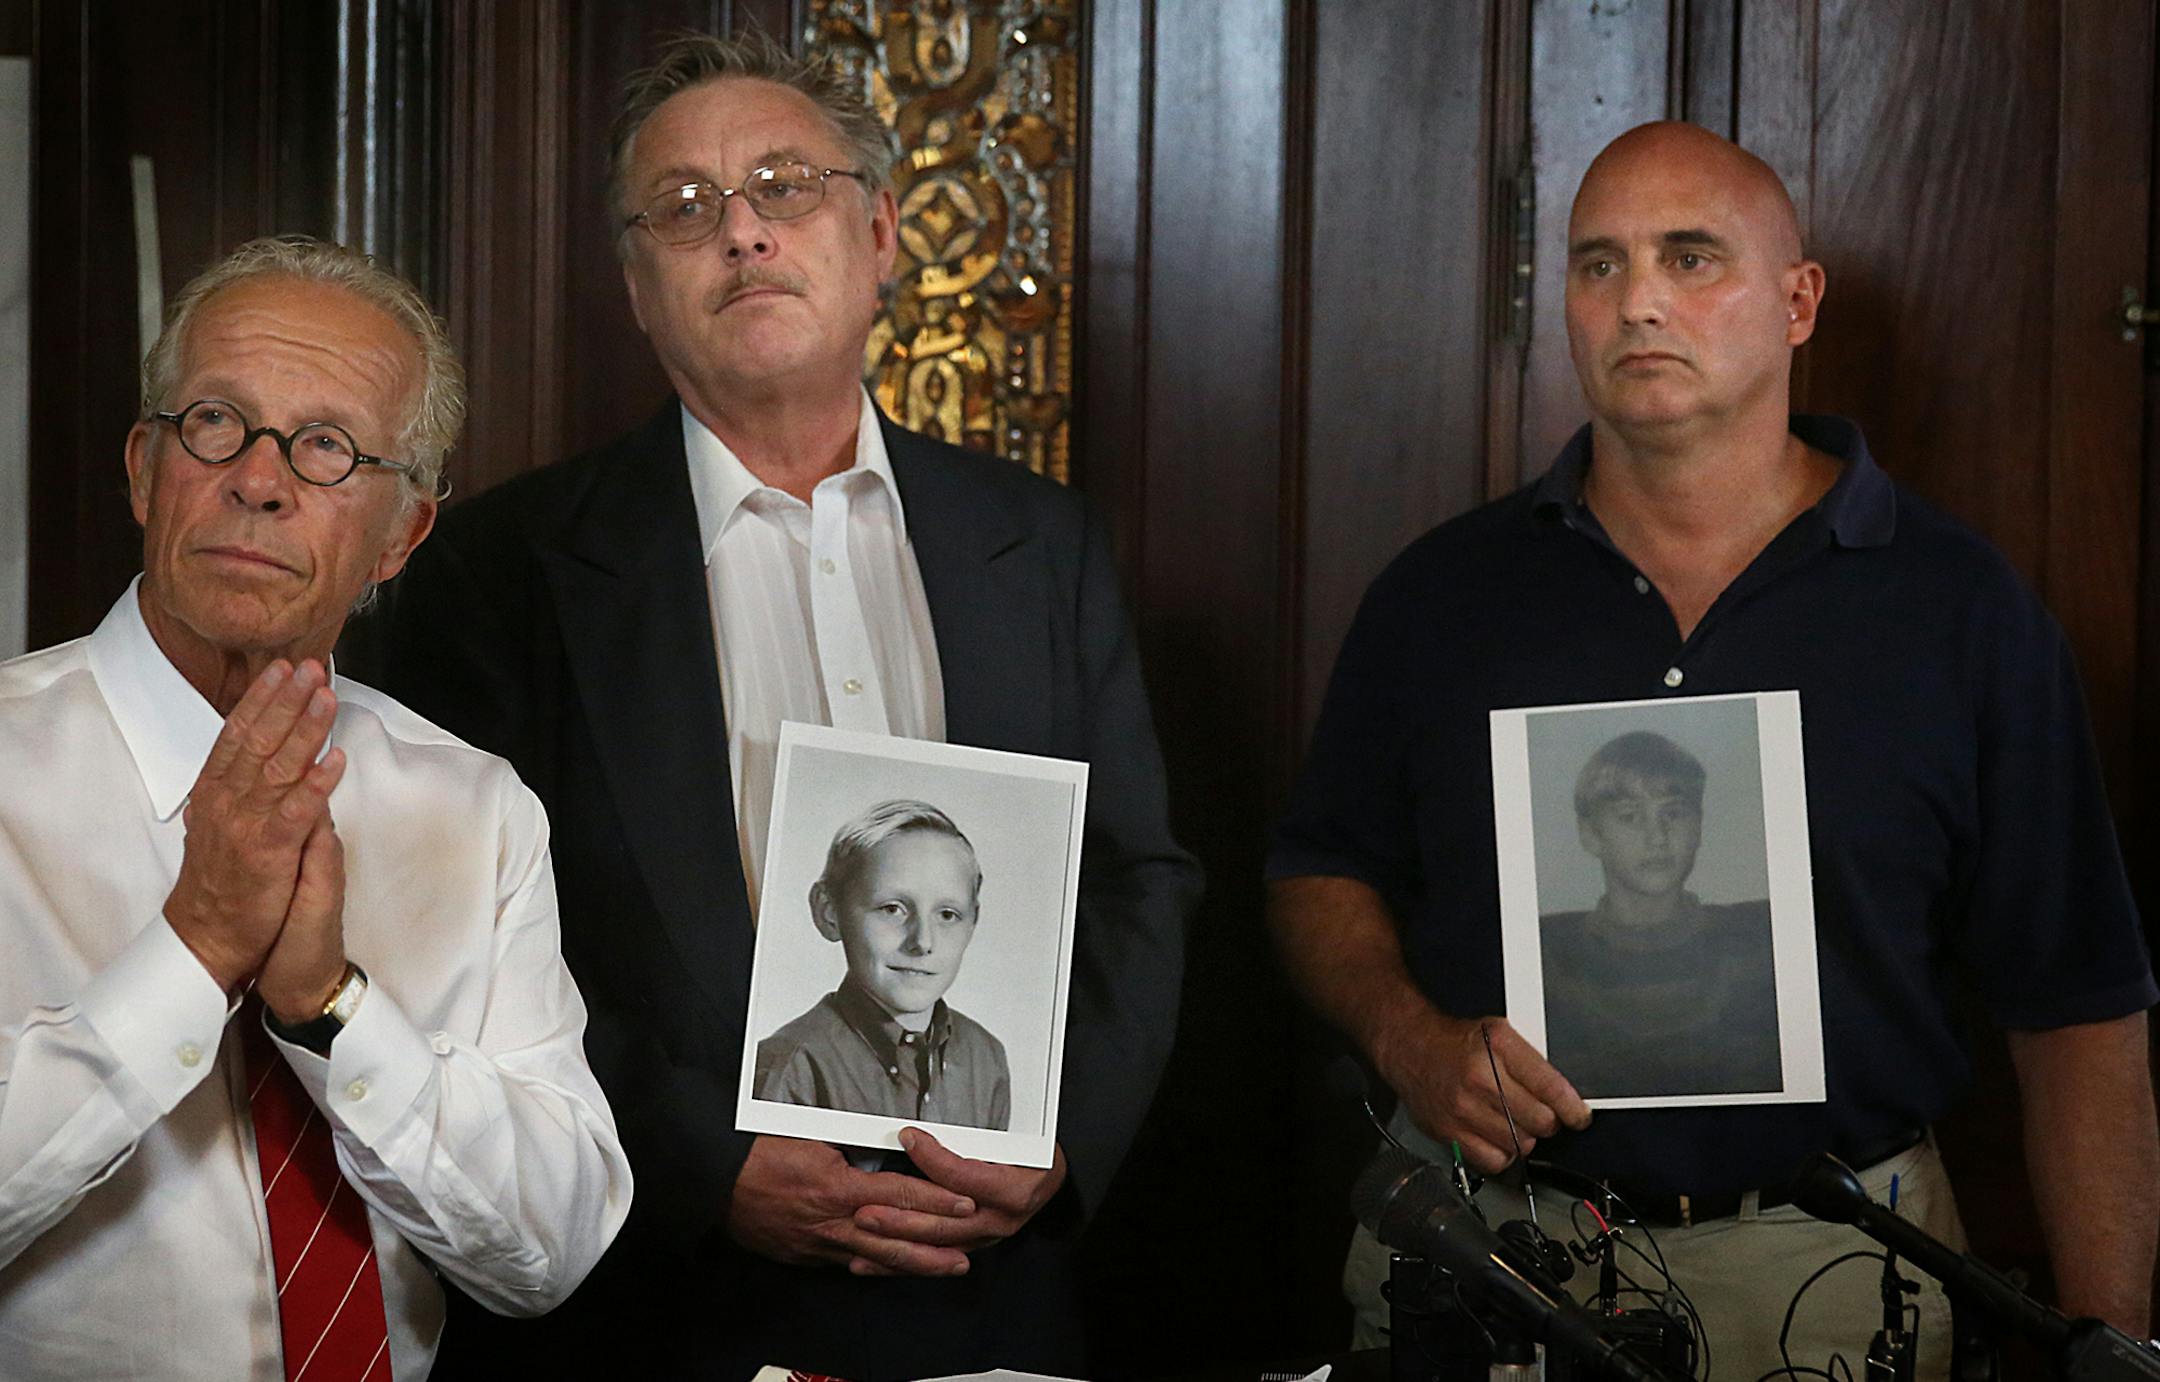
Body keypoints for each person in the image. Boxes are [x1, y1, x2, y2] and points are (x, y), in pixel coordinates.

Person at [1269, 121, 2158, 1380]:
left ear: (1799, 303)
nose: (1639, 300)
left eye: (1692, 259)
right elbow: (1319, 865)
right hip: (1490, 1263)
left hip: (1835, 1271)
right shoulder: (1441, 597)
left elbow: (2077, 1003)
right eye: (1598, 264)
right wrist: (1408, 1034)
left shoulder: (1961, 610)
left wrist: (2113, 1344)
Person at [373, 29, 1198, 1380]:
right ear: (639, 287)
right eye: (686, 210)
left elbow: (1138, 882)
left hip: (991, 1288)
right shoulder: (502, 569)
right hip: (662, 1294)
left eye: (782, 185)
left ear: (879, 234)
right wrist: (709, 1162)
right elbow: (449, 942)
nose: (742, 232)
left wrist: (1057, 1141)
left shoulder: (1039, 544)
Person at [0, 237, 632, 1380]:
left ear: (402, 534)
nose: (259, 476)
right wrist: (195, 952)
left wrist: (326, 1007)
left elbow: (552, 1247)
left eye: (328, 445)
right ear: (146, 468)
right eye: (216, 423)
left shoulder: (476, 808)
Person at [1538, 730, 1780, 1099]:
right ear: (1590, 835)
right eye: (1630, 817)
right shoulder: (1547, 959)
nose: (1657, 837)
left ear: (1698, 825)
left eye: (1673, 813)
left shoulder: (1760, 941)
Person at [754, 799, 1011, 1130]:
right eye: (892, 909)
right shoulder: (790, 1066)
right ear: (829, 911)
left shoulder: (986, 1057)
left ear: (973, 922)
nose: (923, 942)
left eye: (947, 915)